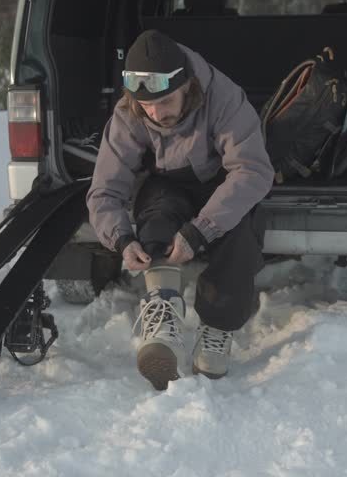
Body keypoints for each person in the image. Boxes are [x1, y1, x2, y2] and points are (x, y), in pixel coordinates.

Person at [86, 29, 274, 390]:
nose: (157, 113)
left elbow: (253, 170)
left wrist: (200, 230)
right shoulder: (130, 111)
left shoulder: (224, 97)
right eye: (147, 105)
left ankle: (217, 328)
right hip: (168, 182)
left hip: (222, 181)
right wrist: (121, 239)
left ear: (187, 85)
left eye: (166, 101)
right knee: (154, 217)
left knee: (239, 237)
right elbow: (104, 190)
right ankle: (162, 313)